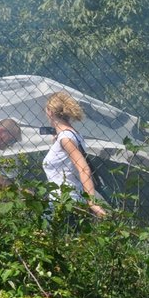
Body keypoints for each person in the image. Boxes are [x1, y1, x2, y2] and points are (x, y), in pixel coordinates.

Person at [43, 91, 106, 220]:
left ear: (50, 111)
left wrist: (92, 203)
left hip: (66, 203)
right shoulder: (71, 135)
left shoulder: (66, 138)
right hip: (65, 201)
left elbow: (84, 169)